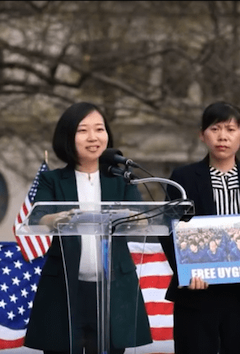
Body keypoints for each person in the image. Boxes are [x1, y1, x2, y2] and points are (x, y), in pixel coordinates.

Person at [23, 102, 152, 354]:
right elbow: (39, 218)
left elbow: (145, 219)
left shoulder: (120, 178)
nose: (93, 137)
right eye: (83, 130)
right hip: (66, 288)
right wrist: (61, 217)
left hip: (113, 289)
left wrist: (129, 216)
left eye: (99, 129)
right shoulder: (53, 180)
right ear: (67, 137)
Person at [159, 101, 240, 354]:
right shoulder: (183, 177)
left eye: (230, 129)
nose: (222, 136)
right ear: (202, 134)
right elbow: (169, 231)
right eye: (215, 129)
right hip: (198, 294)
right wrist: (186, 272)